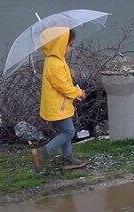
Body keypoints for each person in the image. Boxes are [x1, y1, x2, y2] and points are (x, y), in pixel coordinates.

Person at [31, 27, 87, 171]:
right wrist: (79, 93)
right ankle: (42, 153)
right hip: (58, 107)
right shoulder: (55, 64)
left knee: (67, 131)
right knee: (69, 132)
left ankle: (67, 157)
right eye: (69, 45)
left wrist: (68, 72)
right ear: (60, 45)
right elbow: (63, 87)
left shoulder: (55, 61)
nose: (70, 49)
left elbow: (62, 81)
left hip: (59, 106)